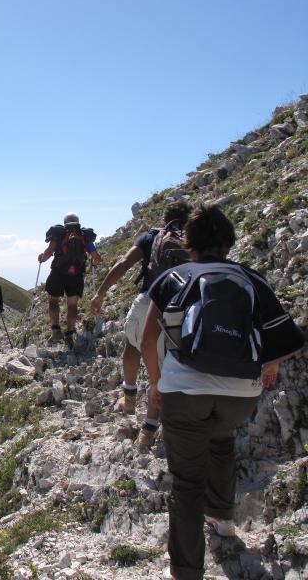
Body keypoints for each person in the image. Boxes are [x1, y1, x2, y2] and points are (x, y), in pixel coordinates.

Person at [140, 205, 304, 580]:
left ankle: (186, 571)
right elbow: (286, 341)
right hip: (240, 397)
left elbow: (148, 338)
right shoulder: (250, 279)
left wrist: (156, 382)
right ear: (228, 244)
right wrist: (269, 366)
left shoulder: (173, 276)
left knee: (186, 482)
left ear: (188, 242)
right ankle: (223, 521)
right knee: (221, 437)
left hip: (183, 392)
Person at [91, 201, 192, 446]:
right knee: (166, 364)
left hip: (150, 299)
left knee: (133, 344)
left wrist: (101, 292)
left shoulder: (151, 237)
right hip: (183, 307)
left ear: (165, 218)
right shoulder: (192, 242)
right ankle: (152, 425)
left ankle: (130, 396)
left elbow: (125, 263)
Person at [38, 212, 101, 349]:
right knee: (72, 305)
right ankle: (69, 334)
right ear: (78, 221)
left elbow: (48, 253)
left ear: (64, 222)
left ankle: (55, 330)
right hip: (76, 275)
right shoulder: (85, 236)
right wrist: (92, 260)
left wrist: (42, 257)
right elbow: (97, 258)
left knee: (53, 300)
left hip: (58, 273)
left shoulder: (59, 233)